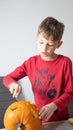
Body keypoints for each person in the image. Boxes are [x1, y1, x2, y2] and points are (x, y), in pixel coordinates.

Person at [3, 17, 73, 123]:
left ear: (59, 44)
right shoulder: (30, 63)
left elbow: (69, 92)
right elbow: (8, 78)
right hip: (40, 119)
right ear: (36, 38)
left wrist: (54, 106)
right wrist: (12, 84)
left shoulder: (65, 62)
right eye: (41, 42)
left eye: (50, 44)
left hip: (61, 119)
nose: (44, 49)